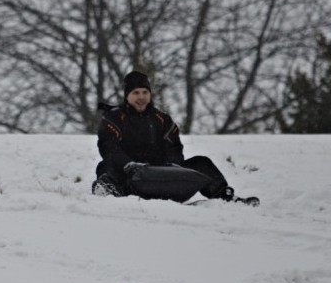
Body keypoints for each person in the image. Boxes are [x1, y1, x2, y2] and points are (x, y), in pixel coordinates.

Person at [92, 71, 259, 205]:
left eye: (145, 92)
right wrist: (129, 165)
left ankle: (226, 197)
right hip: (130, 174)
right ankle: (108, 191)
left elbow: (174, 147)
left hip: (162, 174)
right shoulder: (114, 118)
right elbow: (109, 148)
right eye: (136, 93)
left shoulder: (162, 119)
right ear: (127, 95)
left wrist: (173, 164)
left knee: (201, 162)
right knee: (106, 165)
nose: (141, 97)